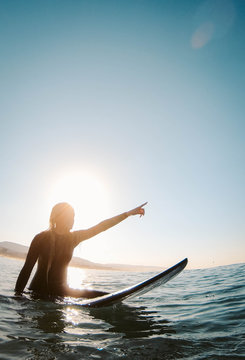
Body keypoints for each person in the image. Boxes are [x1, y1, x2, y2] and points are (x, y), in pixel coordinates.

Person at [15, 202, 147, 299]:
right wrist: (18, 296)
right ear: (59, 217)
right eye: (71, 215)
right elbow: (27, 269)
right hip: (38, 293)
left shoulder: (73, 238)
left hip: (62, 293)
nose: (73, 219)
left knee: (108, 297)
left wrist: (128, 214)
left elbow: (101, 226)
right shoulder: (41, 238)